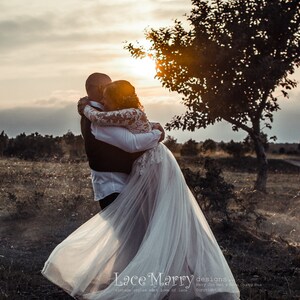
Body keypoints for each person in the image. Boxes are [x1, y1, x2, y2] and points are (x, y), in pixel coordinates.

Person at [42, 80, 240, 299]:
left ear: (117, 98)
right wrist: (154, 131)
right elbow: (128, 135)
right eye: (104, 92)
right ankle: (162, 278)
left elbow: (131, 138)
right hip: (143, 170)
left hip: (155, 167)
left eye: (109, 94)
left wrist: (85, 106)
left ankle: (168, 279)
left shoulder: (122, 113)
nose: (105, 99)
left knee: (159, 223)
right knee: (154, 225)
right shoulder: (110, 116)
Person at [79, 73, 164, 210]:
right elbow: (131, 143)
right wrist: (157, 134)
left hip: (123, 183)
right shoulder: (96, 118)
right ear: (101, 88)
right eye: (109, 85)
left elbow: (130, 125)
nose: (113, 88)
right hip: (113, 186)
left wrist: (152, 126)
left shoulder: (107, 112)